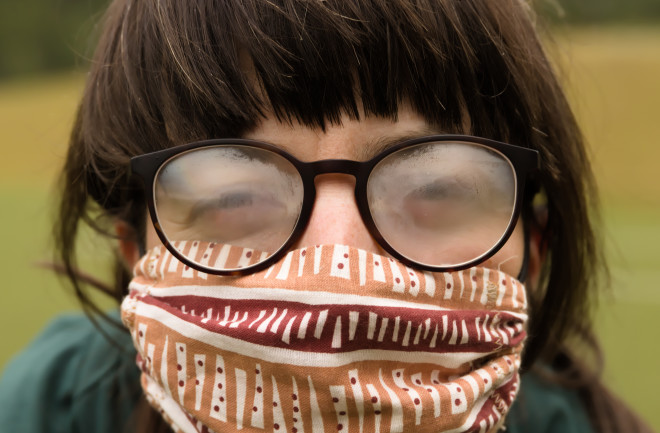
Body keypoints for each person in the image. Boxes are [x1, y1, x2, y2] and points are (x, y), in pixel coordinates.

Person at [0, 0, 653, 432]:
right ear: (135, 254)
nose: (339, 258)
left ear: (531, 252)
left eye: (434, 188)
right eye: (234, 194)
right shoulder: (48, 409)